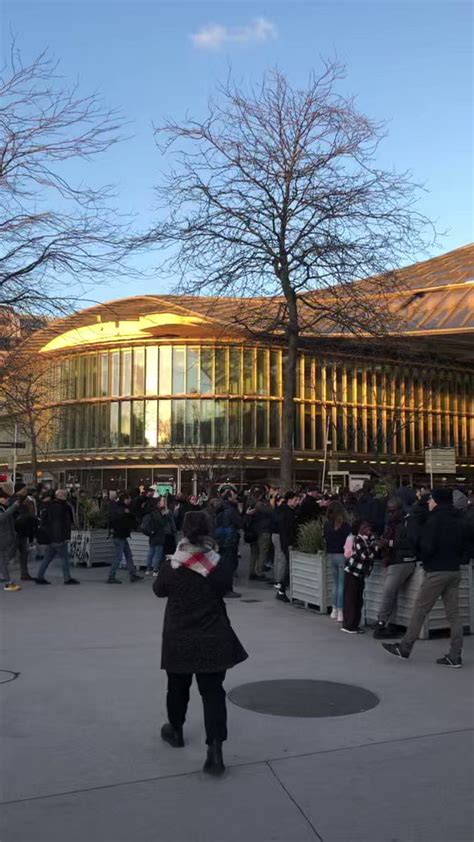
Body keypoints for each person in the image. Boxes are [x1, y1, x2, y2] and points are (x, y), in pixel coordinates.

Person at [153, 511, 248, 776]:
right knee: (213, 692)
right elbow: (224, 587)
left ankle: (176, 729)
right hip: (212, 636)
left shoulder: (173, 564)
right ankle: (215, 751)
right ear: (210, 531)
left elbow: (158, 590)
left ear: (184, 532)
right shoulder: (218, 564)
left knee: (177, 686)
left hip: (179, 636)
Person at [382, 488, 468, 668]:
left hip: (436, 570)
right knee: (454, 615)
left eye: (431, 500)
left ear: (436, 501)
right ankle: (455, 654)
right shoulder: (459, 519)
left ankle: (405, 647)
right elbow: (465, 545)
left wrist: (425, 558)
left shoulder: (433, 520)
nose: (428, 503)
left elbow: (426, 545)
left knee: (420, 610)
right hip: (454, 570)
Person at [373, 497, 418, 639]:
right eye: (389, 511)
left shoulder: (408, 522)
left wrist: (389, 543)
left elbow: (410, 542)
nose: (390, 514)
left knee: (389, 591)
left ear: (399, 509)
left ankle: (382, 623)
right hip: (397, 559)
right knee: (391, 592)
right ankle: (390, 624)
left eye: (392, 511)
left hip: (402, 560)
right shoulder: (397, 522)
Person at [36, 489, 80, 585]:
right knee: (64, 559)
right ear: (59, 496)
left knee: (47, 558)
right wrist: (60, 538)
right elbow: (58, 524)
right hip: (58, 538)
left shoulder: (53, 506)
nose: (66, 496)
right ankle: (67, 578)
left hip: (52, 537)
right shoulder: (60, 507)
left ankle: (40, 576)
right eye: (64, 495)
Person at [341, 520, 376, 634]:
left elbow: (373, 551)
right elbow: (366, 555)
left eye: (368, 527)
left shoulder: (369, 540)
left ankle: (355, 624)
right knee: (351, 598)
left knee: (358, 599)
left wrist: (373, 546)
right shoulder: (358, 540)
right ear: (359, 529)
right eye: (365, 527)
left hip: (360, 574)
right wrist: (374, 547)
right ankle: (348, 624)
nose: (368, 529)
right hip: (352, 572)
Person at [324, 501, 352, 622]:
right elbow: (350, 539)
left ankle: (334, 610)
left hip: (331, 554)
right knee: (342, 584)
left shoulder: (327, 525)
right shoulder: (345, 526)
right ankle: (341, 611)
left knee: (335, 583)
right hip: (342, 554)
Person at [106, 493, 143, 584]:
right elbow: (126, 521)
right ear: (125, 500)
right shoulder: (123, 510)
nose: (130, 501)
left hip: (120, 535)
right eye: (129, 499)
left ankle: (133, 574)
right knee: (119, 557)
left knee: (128, 555)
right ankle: (112, 576)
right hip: (120, 536)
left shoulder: (117, 509)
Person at [214, 487, 242, 599]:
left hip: (222, 539)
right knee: (229, 565)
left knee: (224, 564)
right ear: (230, 497)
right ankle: (227, 589)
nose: (236, 497)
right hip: (229, 539)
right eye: (234, 495)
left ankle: (222, 587)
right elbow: (240, 523)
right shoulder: (231, 510)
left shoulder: (221, 509)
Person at [0, 482, 28, 592]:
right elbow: (2, 518)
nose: (4, 499)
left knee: (3, 560)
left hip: (5, 537)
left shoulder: (3, 507)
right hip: (2, 538)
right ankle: (8, 582)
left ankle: (7, 581)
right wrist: (13, 507)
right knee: (3, 560)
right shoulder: (5, 509)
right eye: (2, 498)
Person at [274, 491, 299, 602]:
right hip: (286, 542)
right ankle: (282, 588)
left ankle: (282, 587)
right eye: (295, 500)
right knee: (287, 565)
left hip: (287, 541)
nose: (297, 502)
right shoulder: (286, 512)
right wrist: (288, 544)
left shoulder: (288, 511)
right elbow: (285, 529)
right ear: (289, 500)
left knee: (287, 564)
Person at [244, 490, 273, 581]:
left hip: (253, 531)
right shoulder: (260, 505)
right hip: (263, 530)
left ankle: (252, 571)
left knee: (254, 552)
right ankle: (259, 572)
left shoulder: (250, 503)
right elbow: (271, 512)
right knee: (263, 552)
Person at [14, 484, 37, 580]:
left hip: (23, 530)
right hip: (15, 531)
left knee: (24, 552)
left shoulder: (26, 500)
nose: (26, 490)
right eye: (24, 488)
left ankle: (24, 574)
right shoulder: (15, 501)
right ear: (19, 490)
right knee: (10, 553)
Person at [141, 498, 166, 576]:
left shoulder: (150, 513)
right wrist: (164, 515)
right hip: (159, 535)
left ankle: (148, 569)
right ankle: (155, 570)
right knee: (157, 554)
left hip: (152, 535)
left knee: (151, 552)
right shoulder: (157, 513)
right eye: (159, 502)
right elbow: (162, 523)